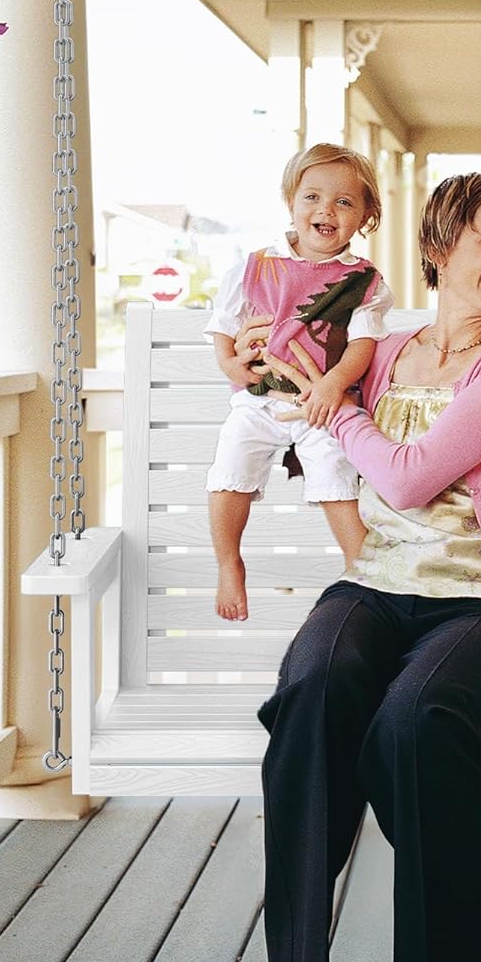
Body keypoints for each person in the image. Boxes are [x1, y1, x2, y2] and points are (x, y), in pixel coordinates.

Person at [255, 172, 481, 962]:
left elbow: (412, 477)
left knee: (415, 727)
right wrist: (295, 363)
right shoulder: (382, 350)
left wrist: (340, 410)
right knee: (311, 694)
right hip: (374, 589)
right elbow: (275, 356)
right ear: (439, 248)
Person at [204, 142, 393, 622]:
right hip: (259, 399)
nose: (325, 209)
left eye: (345, 202)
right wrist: (231, 365)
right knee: (230, 470)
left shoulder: (364, 281)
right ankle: (229, 563)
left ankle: (365, 575)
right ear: (291, 202)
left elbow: (362, 344)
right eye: (312, 196)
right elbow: (224, 327)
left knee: (336, 477)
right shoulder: (255, 267)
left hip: (321, 404)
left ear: (366, 216)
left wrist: (334, 386)